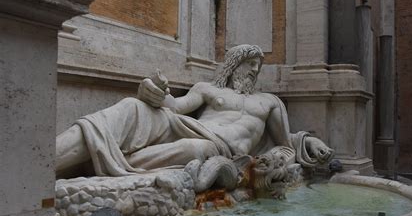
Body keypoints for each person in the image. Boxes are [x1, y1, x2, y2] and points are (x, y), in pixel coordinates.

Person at [56, 44, 333, 188]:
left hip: (219, 149)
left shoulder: (269, 102)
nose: (254, 70)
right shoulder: (207, 89)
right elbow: (174, 107)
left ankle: (105, 164)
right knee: (132, 107)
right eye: (250, 64)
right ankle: (45, 165)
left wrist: (306, 142)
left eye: (258, 66)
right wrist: (153, 91)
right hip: (187, 124)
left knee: (195, 149)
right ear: (234, 65)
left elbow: (284, 143)